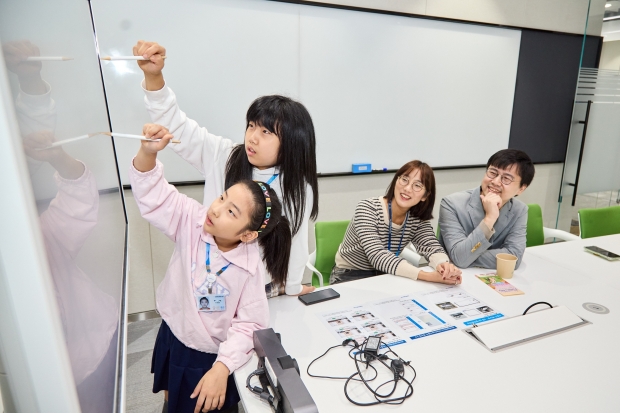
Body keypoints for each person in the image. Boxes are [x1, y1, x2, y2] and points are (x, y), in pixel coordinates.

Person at [132, 40, 318, 297]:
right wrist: (154, 76)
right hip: (208, 284)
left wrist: (293, 287)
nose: (252, 137)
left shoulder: (298, 187)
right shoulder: (224, 155)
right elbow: (176, 125)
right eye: (251, 126)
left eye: (265, 132)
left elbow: (296, 243)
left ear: (292, 143)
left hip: (258, 291)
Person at [130, 124, 292, 413]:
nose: (216, 209)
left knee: (203, 406)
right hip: (174, 333)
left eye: (232, 211)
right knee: (172, 399)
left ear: (247, 235)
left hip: (211, 355)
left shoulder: (248, 266)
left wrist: (221, 368)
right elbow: (154, 194)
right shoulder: (192, 219)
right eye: (222, 198)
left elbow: (251, 324)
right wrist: (147, 153)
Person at [331, 160, 462, 285]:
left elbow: (431, 246)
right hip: (350, 273)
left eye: (417, 185)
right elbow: (377, 256)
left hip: (386, 273)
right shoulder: (368, 208)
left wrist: (444, 265)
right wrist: (427, 276)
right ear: (396, 181)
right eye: (404, 179)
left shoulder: (417, 218)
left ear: (425, 196)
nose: (407, 188)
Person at [438, 149, 534, 269]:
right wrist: (490, 218)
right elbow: (460, 258)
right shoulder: (452, 204)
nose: (495, 181)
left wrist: (467, 255)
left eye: (506, 179)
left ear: (521, 189)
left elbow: (514, 258)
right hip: (456, 276)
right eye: (492, 173)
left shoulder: (519, 210)